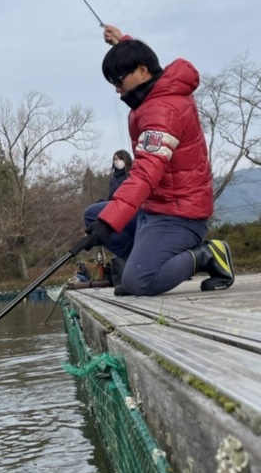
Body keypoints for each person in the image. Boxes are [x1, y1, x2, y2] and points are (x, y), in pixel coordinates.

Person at [80, 25, 235, 296]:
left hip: (180, 216)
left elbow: (146, 173)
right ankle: (140, 264)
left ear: (142, 71)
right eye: (113, 82)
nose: (117, 89)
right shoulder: (156, 91)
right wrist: (123, 44)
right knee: (93, 216)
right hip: (153, 211)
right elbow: (144, 63)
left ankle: (209, 255)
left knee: (140, 281)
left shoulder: (162, 110)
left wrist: (110, 222)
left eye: (119, 79)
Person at [82, 150, 136, 288]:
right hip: (116, 205)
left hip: (130, 207)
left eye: (120, 159)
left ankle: (131, 254)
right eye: (115, 159)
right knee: (92, 215)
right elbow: (112, 197)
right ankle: (131, 256)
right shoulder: (113, 179)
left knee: (91, 214)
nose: (117, 162)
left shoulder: (132, 174)